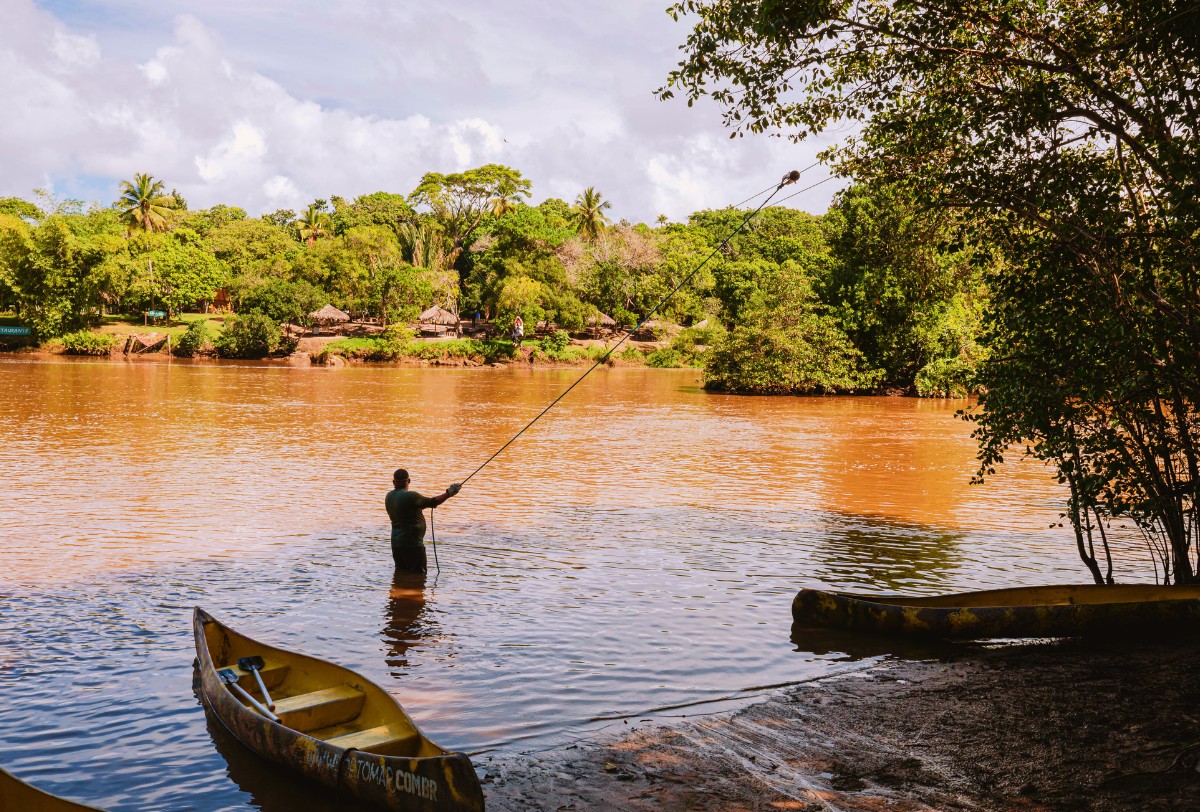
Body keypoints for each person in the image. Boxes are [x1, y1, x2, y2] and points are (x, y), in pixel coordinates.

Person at [385, 469, 461, 572]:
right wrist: (449, 493)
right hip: (412, 545)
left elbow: (410, 508)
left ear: (393, 482)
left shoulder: (389, 496)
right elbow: (433, 502)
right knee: (418, 576)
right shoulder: (411, 496)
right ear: (409, 481)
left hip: (396, 545)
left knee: (401, 573)